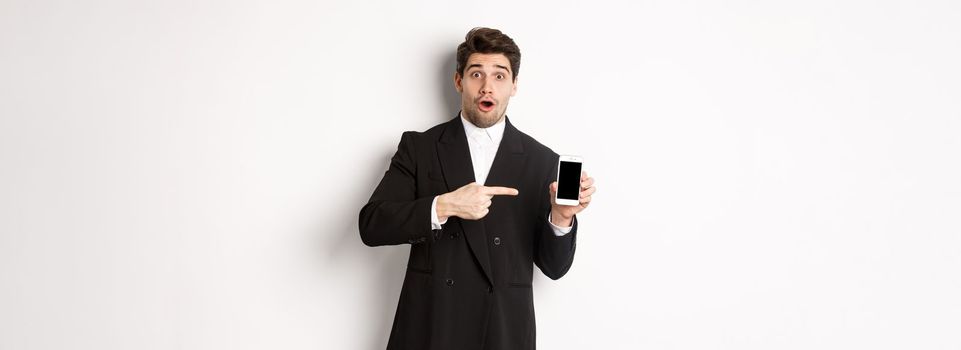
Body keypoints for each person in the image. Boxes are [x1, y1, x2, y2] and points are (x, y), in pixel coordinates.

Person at [358, 27, 597, 350]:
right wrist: (443, 206)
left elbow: (554, 268)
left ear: (514, 86)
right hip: (432, 325)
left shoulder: (542, 161)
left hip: (502, 331)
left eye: (500, 76)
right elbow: (372, 225)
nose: (487, 87)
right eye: (476, 74)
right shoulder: (420, 147)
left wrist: (562, 216)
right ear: (459, 81)